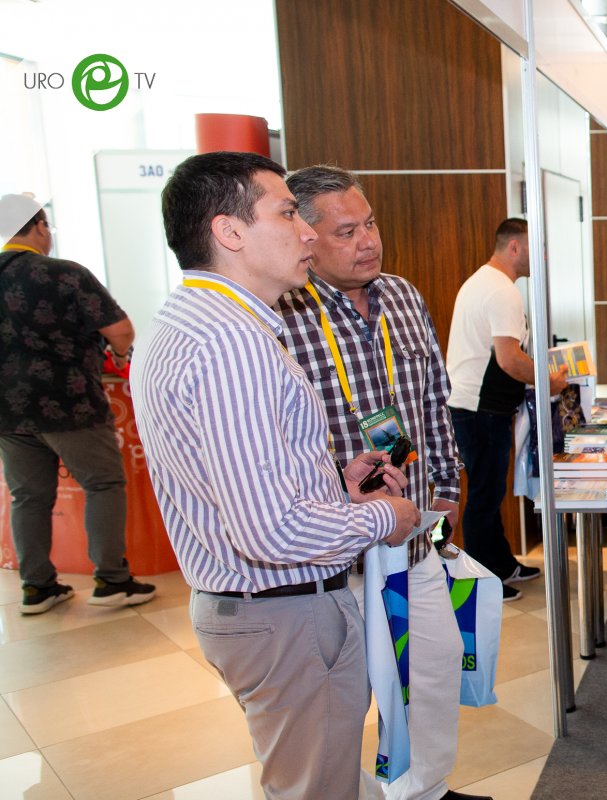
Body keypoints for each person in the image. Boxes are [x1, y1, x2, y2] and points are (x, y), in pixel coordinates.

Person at [131, 151, 423, 800]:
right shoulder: (230, 344)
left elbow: (229, 479)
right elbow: (270, 531)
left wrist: (333, 484)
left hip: (256, 608)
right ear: (229, 232)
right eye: (288, 214)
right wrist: (386, 516)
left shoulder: (185, 322)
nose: (308, 232)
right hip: (283, 614)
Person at [275, 165, 487, 800]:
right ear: (304, 236)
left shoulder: (401, 296)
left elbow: (432, 401)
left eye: (370, 224)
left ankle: (426, 789)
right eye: (347, 232)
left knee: (434, 665)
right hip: (334, 545)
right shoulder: (282, 311)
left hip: (412, 530)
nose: (368, 241)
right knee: (344, 696)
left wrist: (446, 491)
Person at [0, 193, 155, 614]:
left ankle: (37, 587)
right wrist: (119, 356)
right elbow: (121, 330)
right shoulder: (65, 274)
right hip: (70, 403)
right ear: (40, 227)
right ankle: (112, 580)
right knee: (102, 484)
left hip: (8, 411)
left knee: (28, 497)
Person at [445, 218, 568, 600]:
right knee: (484, 496)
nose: (542, 256)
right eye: (536, 248)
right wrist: (550, 381)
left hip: (477, 407)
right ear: (514, 247)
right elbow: (509, 359)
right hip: (480, 409)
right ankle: (484, 581)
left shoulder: (483, 282)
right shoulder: (501, 291)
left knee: (491, 491)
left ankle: (500, 563)